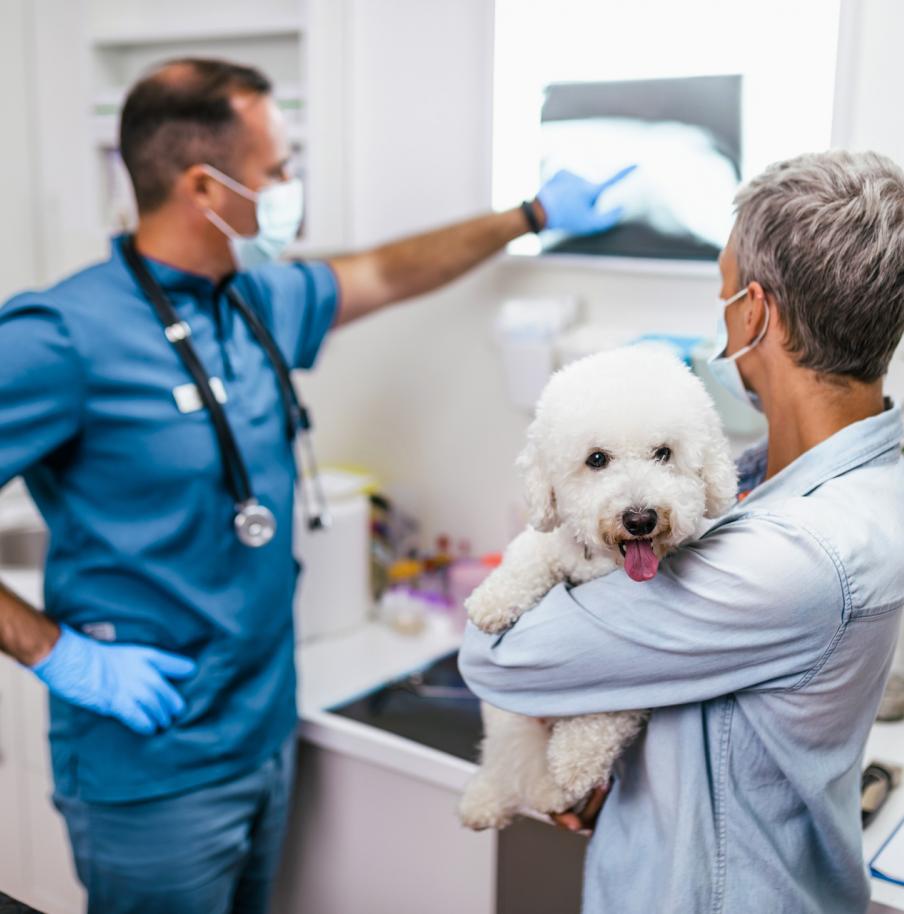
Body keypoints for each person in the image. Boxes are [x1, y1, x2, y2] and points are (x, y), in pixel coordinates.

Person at [0, 58, 630, 914]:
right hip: (151, 769)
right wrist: (56, 652)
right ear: (204, 188)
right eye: (276, 170)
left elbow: (389, 270)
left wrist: (534, 215)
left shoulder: (254, 299)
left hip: (264, 730)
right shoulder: (61, 336)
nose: (291, 187)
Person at [460, 149, 904, 914]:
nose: (723, 312)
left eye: (724, 292)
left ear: (755, 312)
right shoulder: (810, 482)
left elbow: (497, 657)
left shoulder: (791, 557)